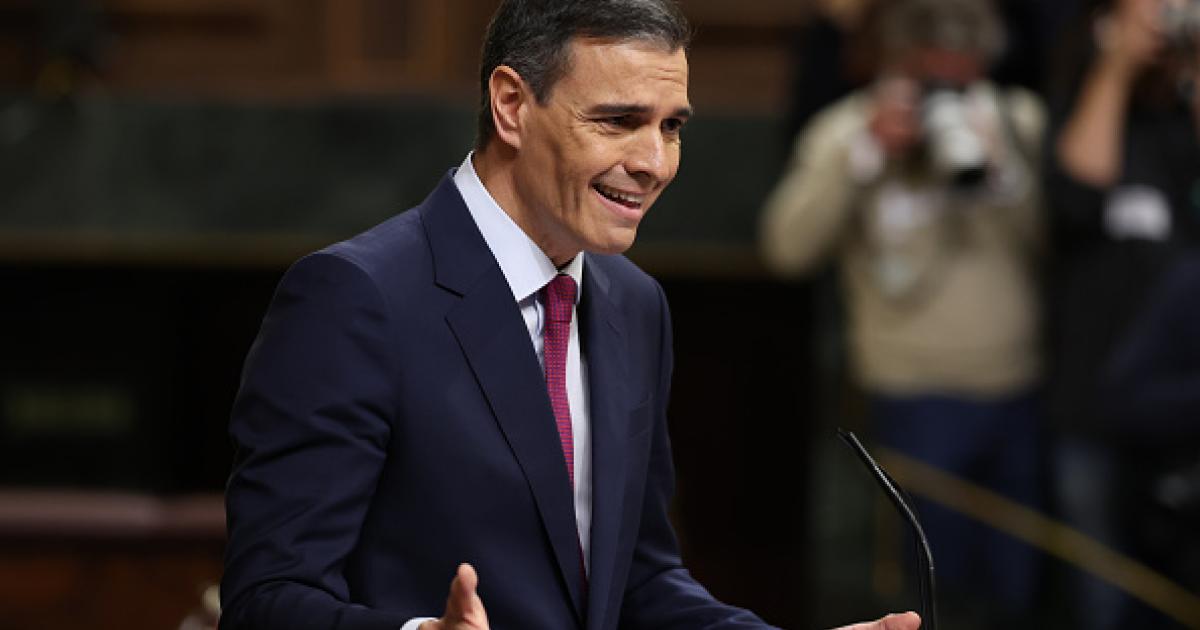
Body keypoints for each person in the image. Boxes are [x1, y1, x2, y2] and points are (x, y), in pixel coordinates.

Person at [218, 1, 922, 629]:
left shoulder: (635, 304)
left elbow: (639, 582)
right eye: (619, 121)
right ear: (511, 106)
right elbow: (267, 598)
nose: (653, 161)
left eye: (670, 126)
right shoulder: (354, 299)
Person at [760, 0, 1046, 625]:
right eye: (929, 80)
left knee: (1016, 590)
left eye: (960, 79)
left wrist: (1007, 170)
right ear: (895, 69)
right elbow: (786, 248)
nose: (944, 97)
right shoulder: (848, 130)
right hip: (909, 395)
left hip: (1018, 392)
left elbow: (1071, 251)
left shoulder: (1017, 120)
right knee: (927, 591)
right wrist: (863, 156)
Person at [1045, 0, 1200, 625]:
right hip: (1094, 401)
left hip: (1182, 415)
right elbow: (1079, 193)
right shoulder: (1081, 108)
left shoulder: (1180, 124)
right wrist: (1114, 68)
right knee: (1105, 599)